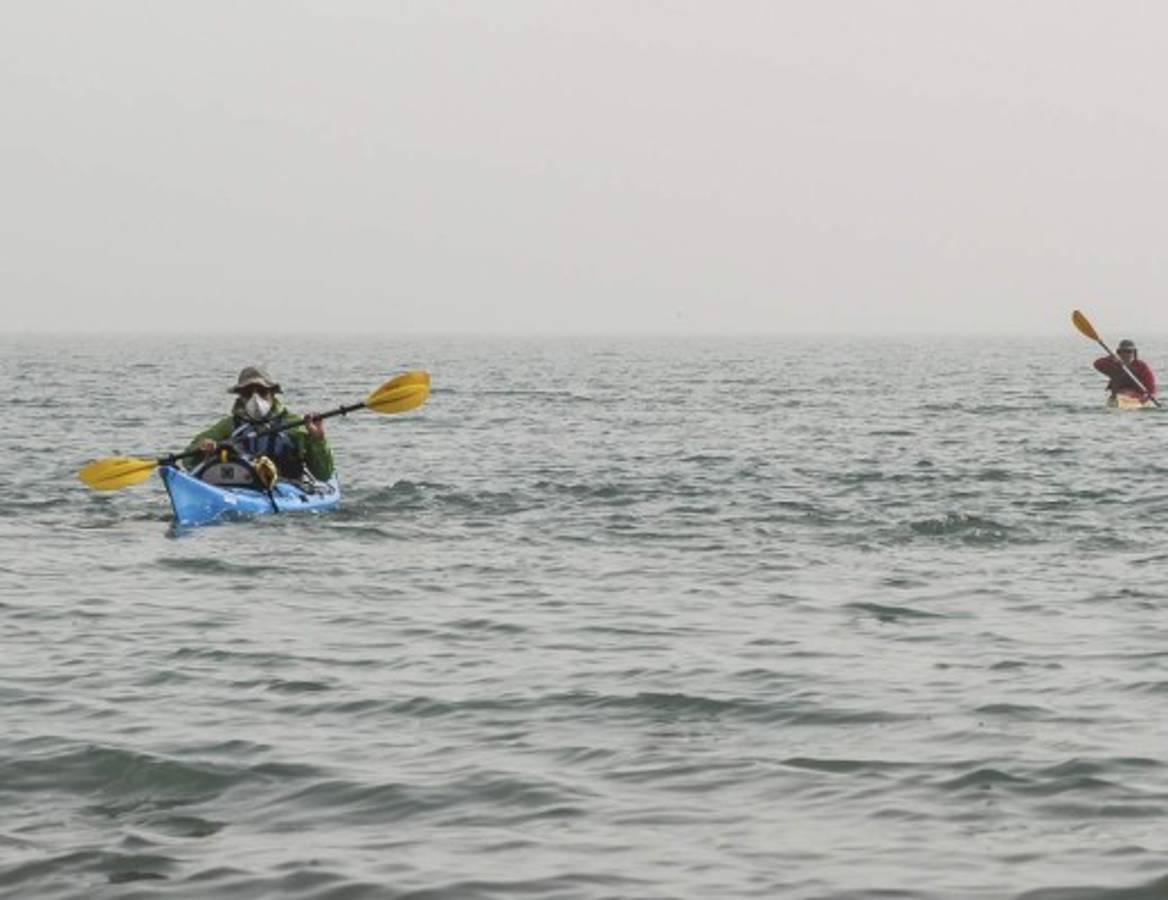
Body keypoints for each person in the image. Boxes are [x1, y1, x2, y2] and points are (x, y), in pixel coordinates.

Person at [186, 366, 334, 485]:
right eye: (247, 393)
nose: (255, 398)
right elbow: (188, 459)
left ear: (273, 394)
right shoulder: (229, 425)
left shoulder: (293, 424)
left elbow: (324, 474)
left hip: (287, 488)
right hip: (244, 486)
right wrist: (203, 448)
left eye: (262, 392)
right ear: (241, 397)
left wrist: (318, 440)